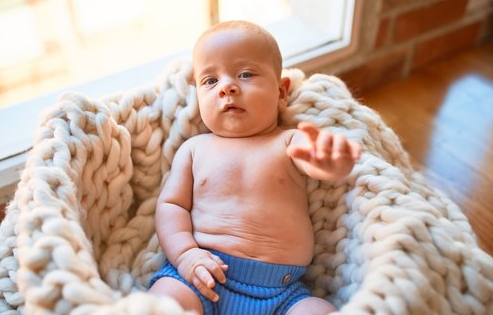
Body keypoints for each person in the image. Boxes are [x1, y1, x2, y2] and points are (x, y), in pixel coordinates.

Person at [148, 20, 362, 315]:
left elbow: (321, 167)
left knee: (317, 310)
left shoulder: (288, 141)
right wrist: (186, 255)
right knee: (165, 301)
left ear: (281, 91)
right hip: (200, 278)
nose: (227, 88)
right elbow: (171, 205)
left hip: (281, 294)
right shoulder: (195, 149)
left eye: (245, 74)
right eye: (210, 81)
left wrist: (332, 162)